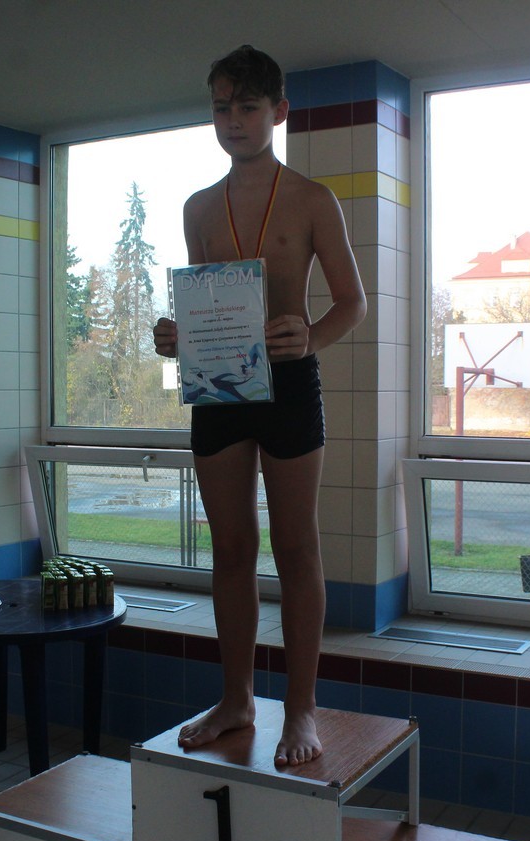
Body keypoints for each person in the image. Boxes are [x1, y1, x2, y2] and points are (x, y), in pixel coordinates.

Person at [153, 45, 366, 767]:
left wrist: (310, 336)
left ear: (278, 112)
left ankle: (300, 708)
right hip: (220, 391)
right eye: (222, 107)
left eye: (248, 106)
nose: (233, 120)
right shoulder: (198, 208)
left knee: (296, 547)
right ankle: (237, 697)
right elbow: (206, 303)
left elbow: (352, 302)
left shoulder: (311, 199)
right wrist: (176, 337)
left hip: (289, 386)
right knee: (231, 548)